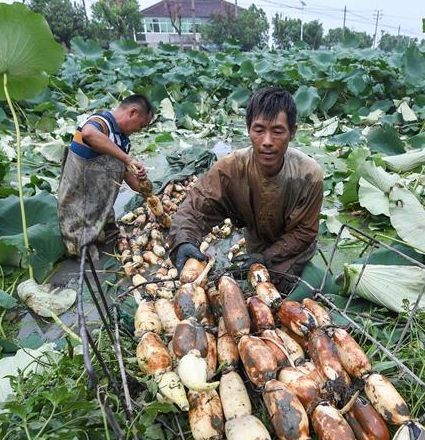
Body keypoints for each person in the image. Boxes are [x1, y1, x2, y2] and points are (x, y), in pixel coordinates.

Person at [168, 87, 323, 293]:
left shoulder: (309, 175)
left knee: (281, 290)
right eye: (259, 130)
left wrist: (265, 259)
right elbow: (196, 206)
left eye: (277, 131)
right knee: (248, 291)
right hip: (256, 241)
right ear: (248, 129)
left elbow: (305, 232)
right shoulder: (231, 167)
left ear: (292, 132)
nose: (267, 141)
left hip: (293, 250)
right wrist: (184, 240)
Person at [57, 94, 154, 256]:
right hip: (79, 220)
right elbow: (88, 133)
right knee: (85, 254)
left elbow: (134, 184)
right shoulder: (101, 122)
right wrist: (127, 159)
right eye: (142, 125)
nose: (139, 130)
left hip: (100, 216)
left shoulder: (121, 141)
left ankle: (103, 231)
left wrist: (144, 182)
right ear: (133, 112)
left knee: (110, 245)